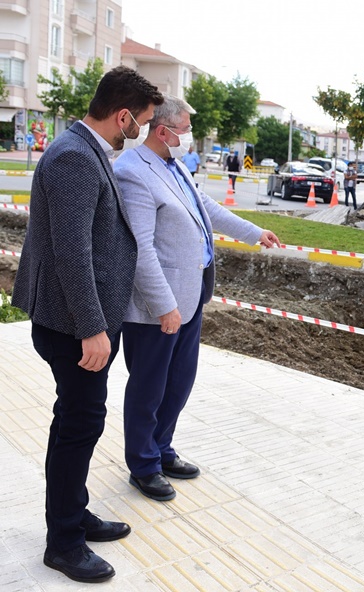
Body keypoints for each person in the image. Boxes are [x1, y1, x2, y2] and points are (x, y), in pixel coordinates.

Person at [11, 66, 163, 584]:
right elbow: (73, 254)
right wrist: (93, 328)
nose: (139, 130)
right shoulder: (75, 157)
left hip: (81, 318)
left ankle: (74, 514)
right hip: (75, 324)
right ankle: (64, 543)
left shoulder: (85, 149)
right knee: (77, 426)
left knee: (83, 420)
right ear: (123, 115)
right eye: (141, 121)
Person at [113, 95, 281, 503]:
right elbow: (141, 248)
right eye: (186, 130)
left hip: (190, 297)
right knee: (149, 387)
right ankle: (143, 465)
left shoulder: (175, 166)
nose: (190, 138)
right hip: (159, 307)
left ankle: (162, 448)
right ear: (164, 131)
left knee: (178, 383)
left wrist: (253, 232)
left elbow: (206, 209)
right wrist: (164, 305)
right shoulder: (134, 172)